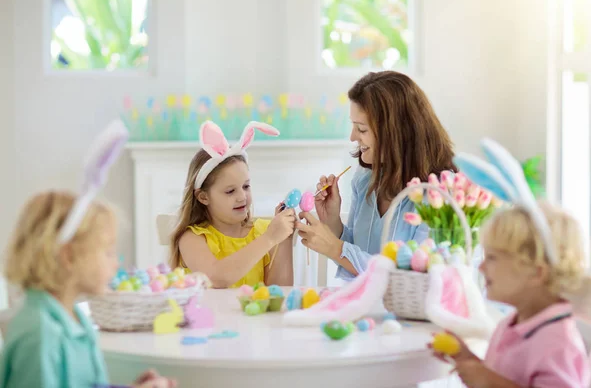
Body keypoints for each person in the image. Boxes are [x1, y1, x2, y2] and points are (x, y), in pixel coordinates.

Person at [0, 192, 177, 388]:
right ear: (68, 256)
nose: (115, 264)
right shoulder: (40, 334)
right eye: (108, 252)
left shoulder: (75, 318)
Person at [296, 71, 456, 279]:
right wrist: (332, 220)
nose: (353, 137)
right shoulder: (364, 181)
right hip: (361, 304)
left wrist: (335, 248)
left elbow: (414, 274)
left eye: (361, 129)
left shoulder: (439, 194)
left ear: (397, 133)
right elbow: (355, 252)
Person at [433, 202, 590, 387]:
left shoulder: (558, 343)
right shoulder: (511, 324)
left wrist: (487, 381)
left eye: (492, 258)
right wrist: (468, 360)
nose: (482, 268)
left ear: (536, 273)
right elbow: (508, 378)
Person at [170, 121, 295, 288]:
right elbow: (215, 278)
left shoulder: (262, 232)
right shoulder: (192, 239)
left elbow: (280, 290)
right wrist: (270, 238)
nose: (242, 197)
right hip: (209, 314)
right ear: (203, 197)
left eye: (246, 186)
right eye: (230, 191)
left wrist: (283, 240)